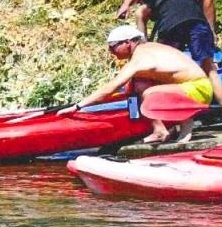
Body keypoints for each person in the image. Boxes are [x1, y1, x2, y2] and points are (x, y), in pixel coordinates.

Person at [128, 0, 222, 133]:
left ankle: (171, 124)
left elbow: (140, 24)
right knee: (210, 68)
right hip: (199, 23)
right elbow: (195, 1)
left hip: (172, 26)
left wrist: (142, 51)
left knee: (166, 72)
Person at [74, 26, 213, 144]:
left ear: (128, 43)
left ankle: (186, 126)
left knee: (149, 94)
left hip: (198, 89)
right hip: (189, 89)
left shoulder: (140, 58)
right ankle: (159, 129)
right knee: (139, 84)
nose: (111, 52)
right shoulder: (148, 49)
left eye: (112, 47)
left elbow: (110, 88)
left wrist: (78, 106)